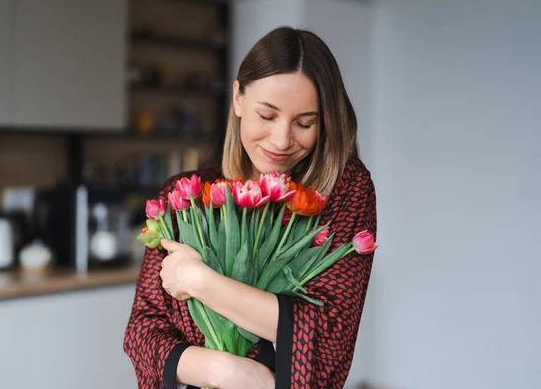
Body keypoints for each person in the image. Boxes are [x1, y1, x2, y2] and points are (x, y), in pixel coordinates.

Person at [123, 26, 377, 389]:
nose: (282, 140)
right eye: (267, 116)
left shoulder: (344, 192)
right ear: (238, 99)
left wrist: (199, 281)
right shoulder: (185, 199)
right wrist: (227, 372)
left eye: (305, 123)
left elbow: (329, 334)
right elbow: (143, 332)